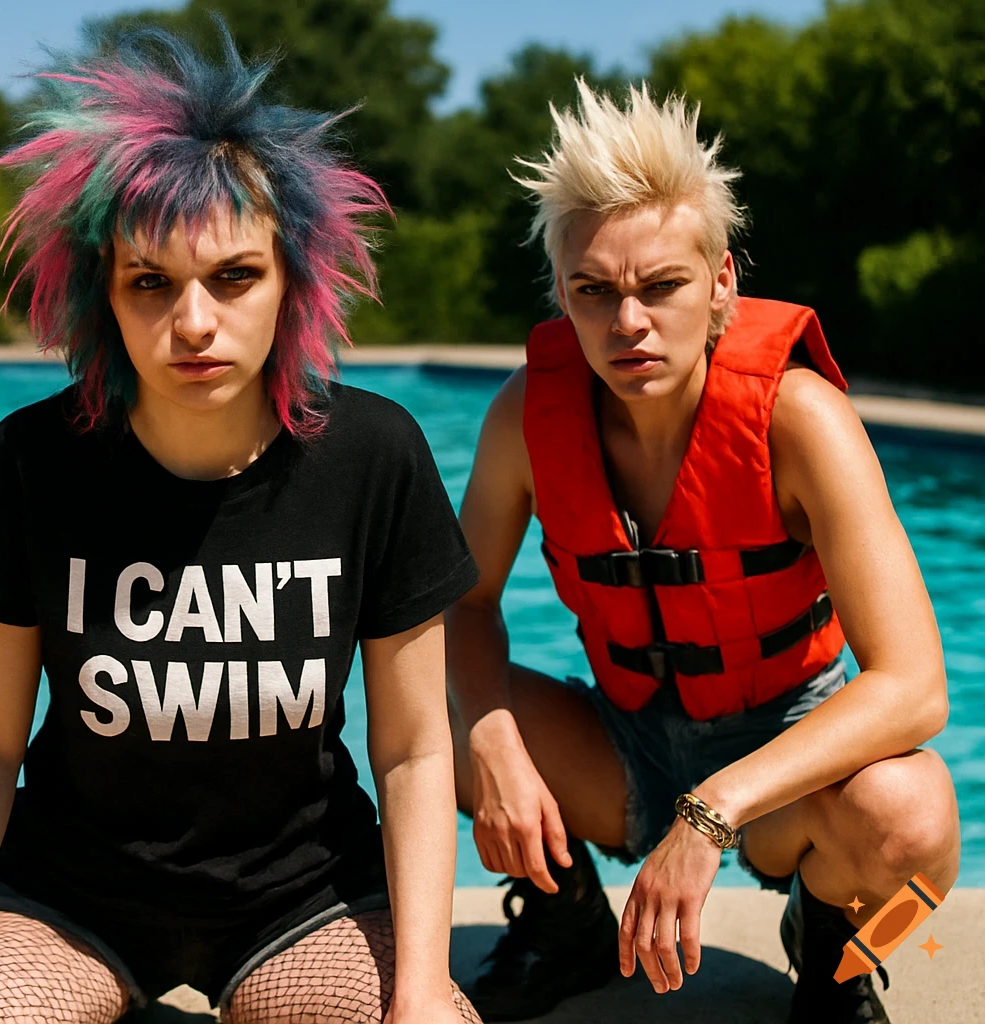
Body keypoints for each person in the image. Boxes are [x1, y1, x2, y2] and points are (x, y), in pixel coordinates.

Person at [0, 28, 481, 1024]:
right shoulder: (35, 461)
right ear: (106, 298)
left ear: (292, 282)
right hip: (69, 902)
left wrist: (417, 989)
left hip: (306, 901)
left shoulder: (374, 454)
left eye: (234, 277)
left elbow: (411, 750)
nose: (193, 323)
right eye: (151, 282)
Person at [447, 81, 960, 1024]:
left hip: (787, 750)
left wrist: (710, 812)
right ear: (561, 293)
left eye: (661, 286)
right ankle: (566, 929)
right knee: (437, 717)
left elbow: (917, 686)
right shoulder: (527, 418)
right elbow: (460, 608)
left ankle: (834, 955)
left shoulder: (800, 420)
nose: (627, 323)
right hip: (627, 739)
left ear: (722, 281)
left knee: (915, 821)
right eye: (593, 291)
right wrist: (495, 756)